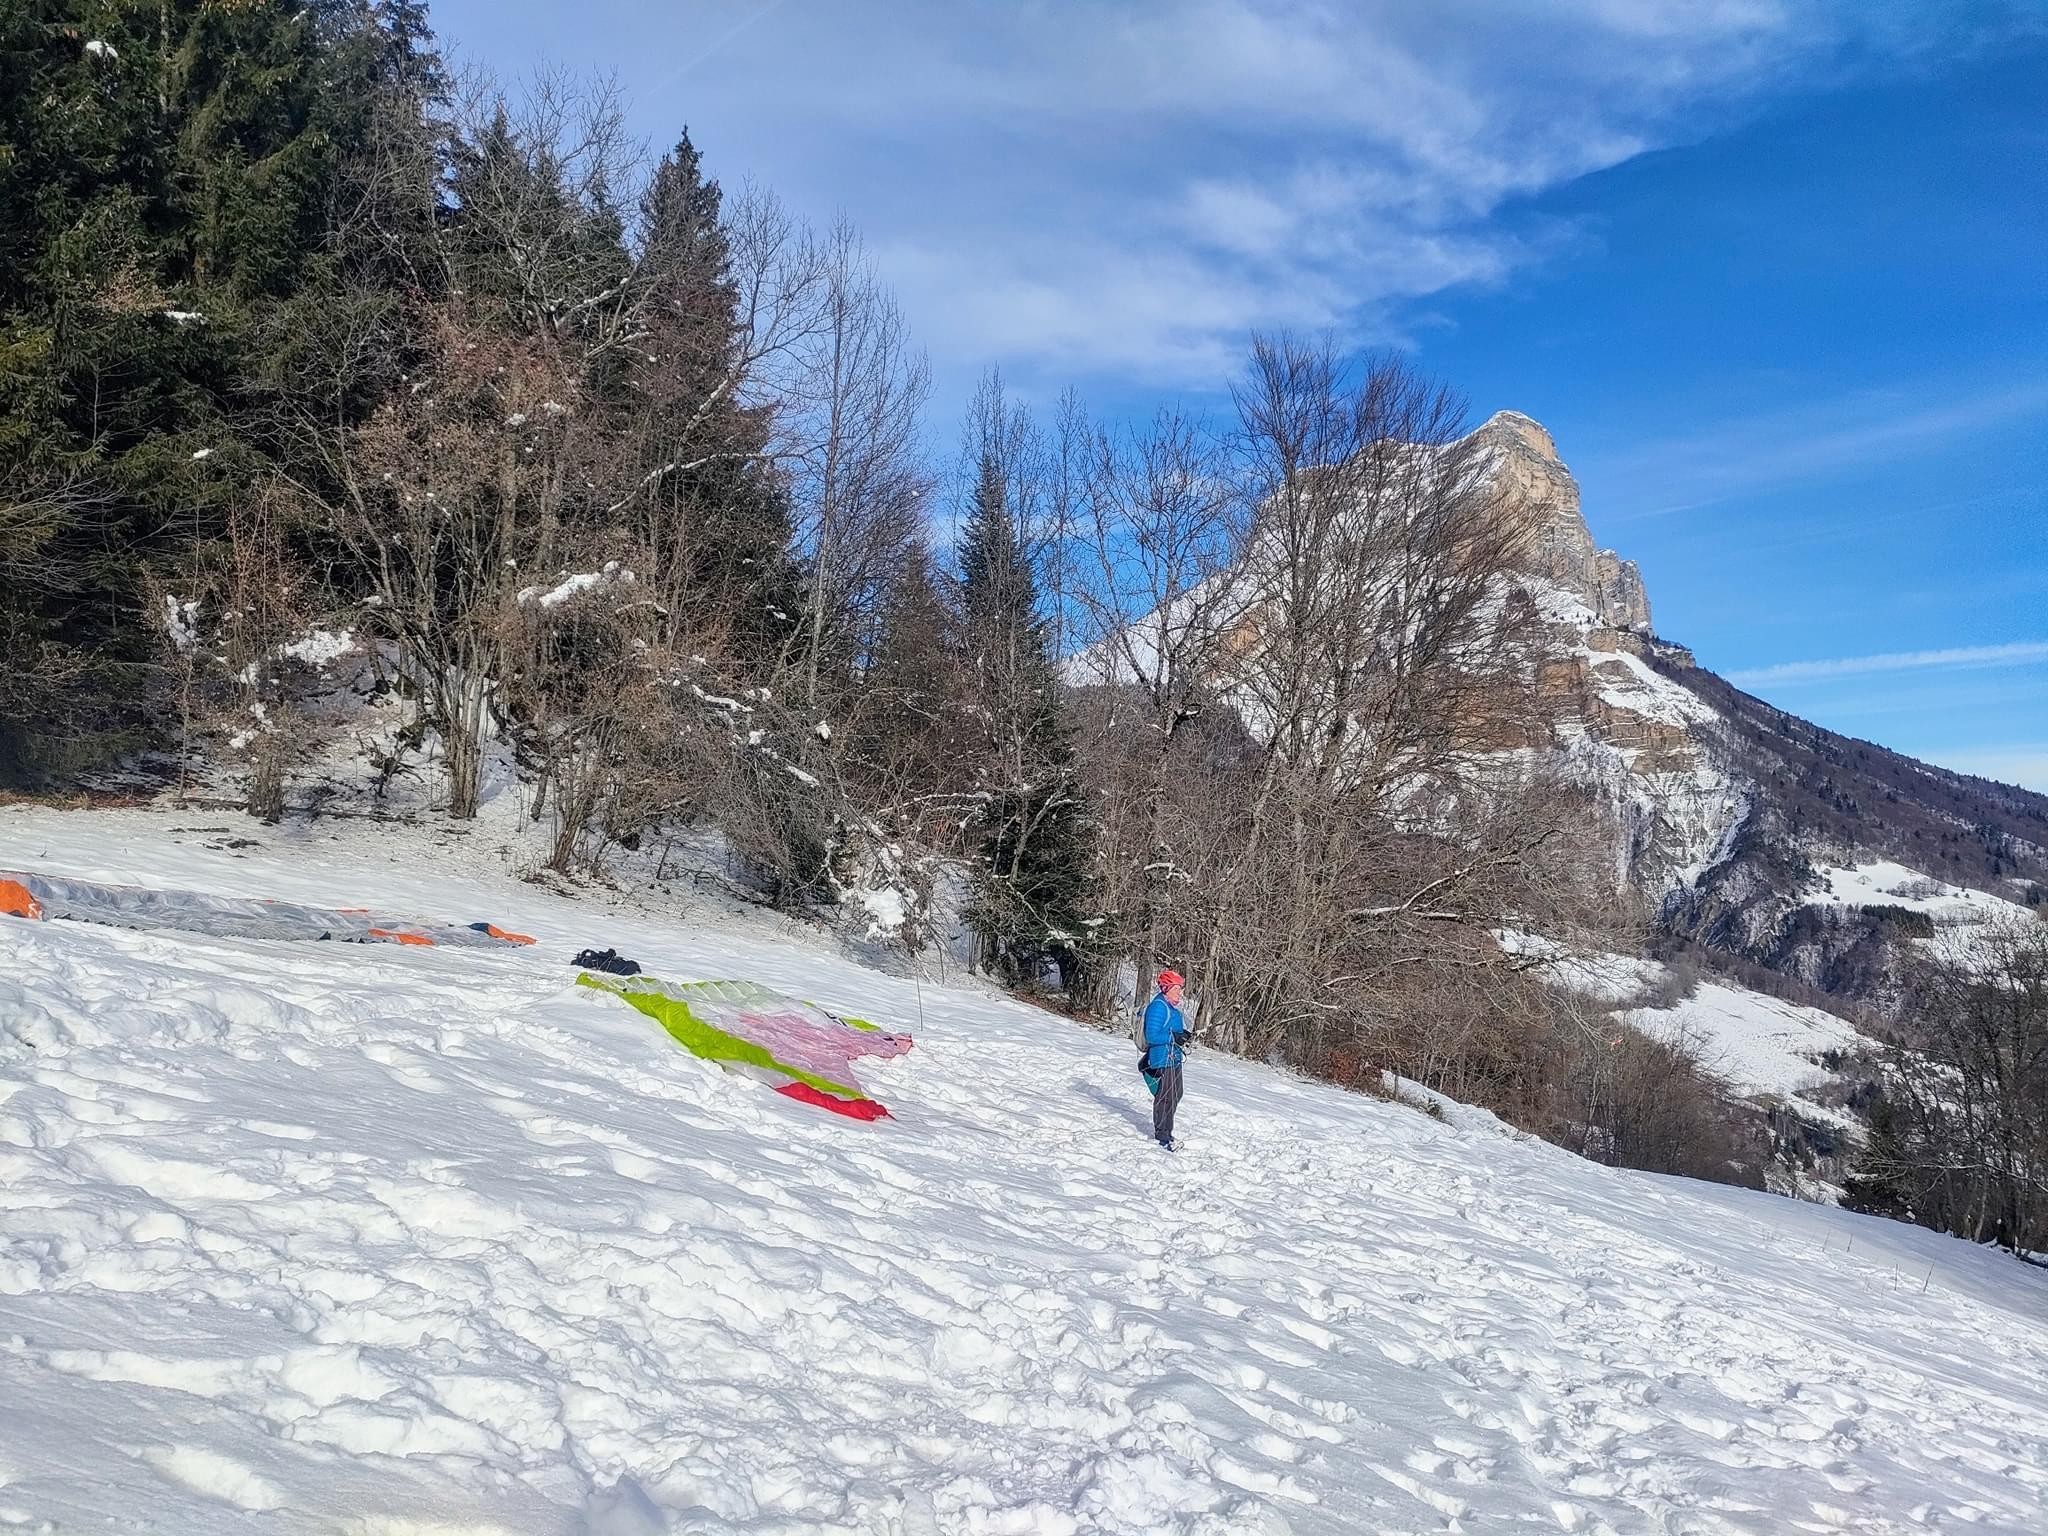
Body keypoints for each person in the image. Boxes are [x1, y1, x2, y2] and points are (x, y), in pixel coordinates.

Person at [1138, 968, 1193, 1149]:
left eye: (1180, 988)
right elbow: (1152, 1035)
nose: (1180, 992)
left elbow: (1171, 1030)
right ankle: (1163, 1136)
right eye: (1177, 988)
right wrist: (1173, 1037)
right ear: (1166, 988)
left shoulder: (1170, 1006)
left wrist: (1182, 1035)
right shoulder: (1158, 1006)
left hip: (1173, 1057)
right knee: (1166, 1097)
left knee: (1176, 1093)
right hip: (1162, 1058)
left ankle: (1165, 1132)